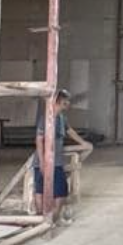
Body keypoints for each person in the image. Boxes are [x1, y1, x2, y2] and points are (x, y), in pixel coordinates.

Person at [34, 90, 91, 218]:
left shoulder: (61, 118)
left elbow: (70, 131)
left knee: (61, 191)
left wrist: (83, 142)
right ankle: (40, 218)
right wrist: (42, 161)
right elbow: (39, 140)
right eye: (66, 101)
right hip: (43, 160)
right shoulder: (46, 118)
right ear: (60, 102)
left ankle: (52, 218)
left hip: (57, 161)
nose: (68, 103)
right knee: (40, 190)